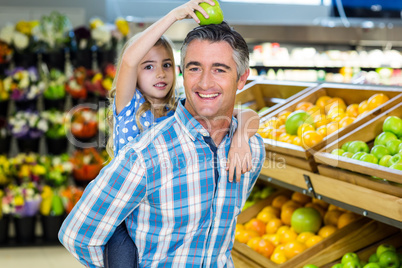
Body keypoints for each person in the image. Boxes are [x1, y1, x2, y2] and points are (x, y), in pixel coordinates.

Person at [59, 2, 265, 268]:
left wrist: (241, 140)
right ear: (186, 72)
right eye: (194, 68)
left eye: (219, 69)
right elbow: (78, 234)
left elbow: (244, 114)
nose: (204, 82)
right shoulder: (133, 118)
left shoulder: (247, 148)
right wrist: (175, 15)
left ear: (241, 79)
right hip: (121, 213)